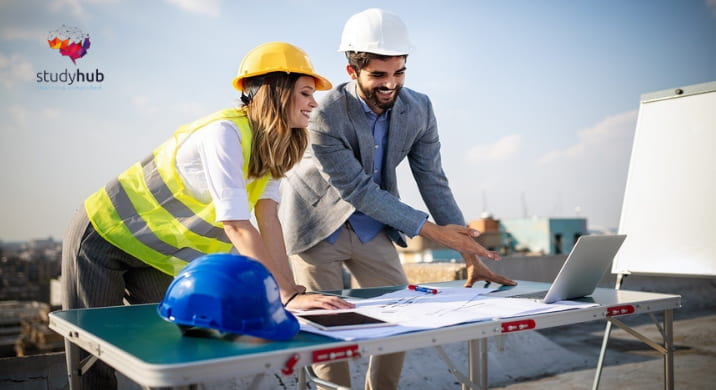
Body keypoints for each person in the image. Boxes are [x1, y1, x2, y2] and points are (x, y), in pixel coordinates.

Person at [61, 41, 353, 389]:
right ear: (276, 90)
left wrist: (289, 290)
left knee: (174, 348)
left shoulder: (270, 147)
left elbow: (268, 219)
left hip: (157, 254)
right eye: (305, 92)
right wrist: (284, 295)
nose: (313, 103)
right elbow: (236, 225)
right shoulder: (224, 134)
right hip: (104, 236)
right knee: (94, 352)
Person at [278, 9, 517, 390]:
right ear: (352, 72)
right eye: (378, 75)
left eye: (399, 72)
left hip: (376, 231)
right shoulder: (322, 114)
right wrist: (436, 233)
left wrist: (469, 254)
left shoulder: (419, 108)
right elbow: (357, 189)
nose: (390, 84)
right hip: (317, 228)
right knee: (328, 337)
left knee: (402, 325)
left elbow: (433, 179)